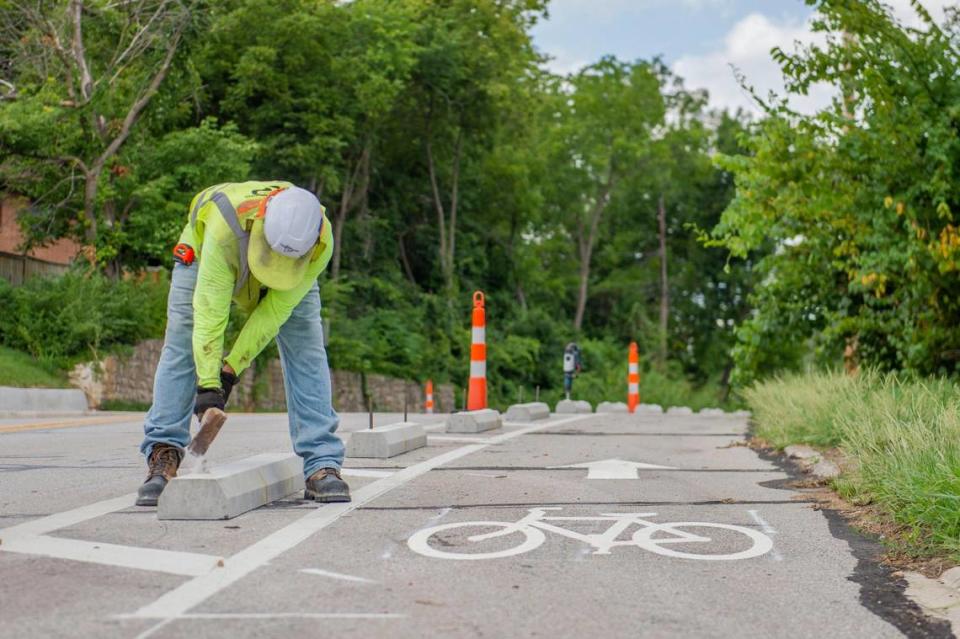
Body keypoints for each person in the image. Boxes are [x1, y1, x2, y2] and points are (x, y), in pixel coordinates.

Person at [136, 181, 349, 506]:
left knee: (306, 346)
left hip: (292, 265)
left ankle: (322, 463)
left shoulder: (321, 240)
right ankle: (163, 452)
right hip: (209, 248)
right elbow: (211, 313)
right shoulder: (225, 226)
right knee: (182, 340)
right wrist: (209, 386)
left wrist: (231, 369)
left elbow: (273, 313)